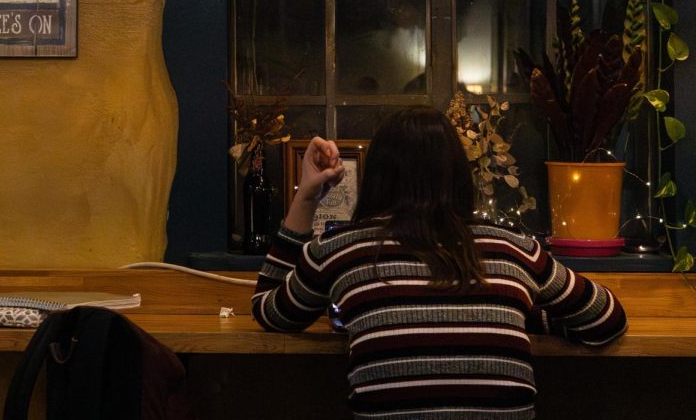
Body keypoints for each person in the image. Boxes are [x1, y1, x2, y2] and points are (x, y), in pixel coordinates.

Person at [252, 107, 627, 420]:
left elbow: (270, 312)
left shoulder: (339, 250)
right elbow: (606, 319)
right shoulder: (512, 248)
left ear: (376, 175)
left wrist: (307, 196)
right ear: (458, 174)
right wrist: (517, 309)